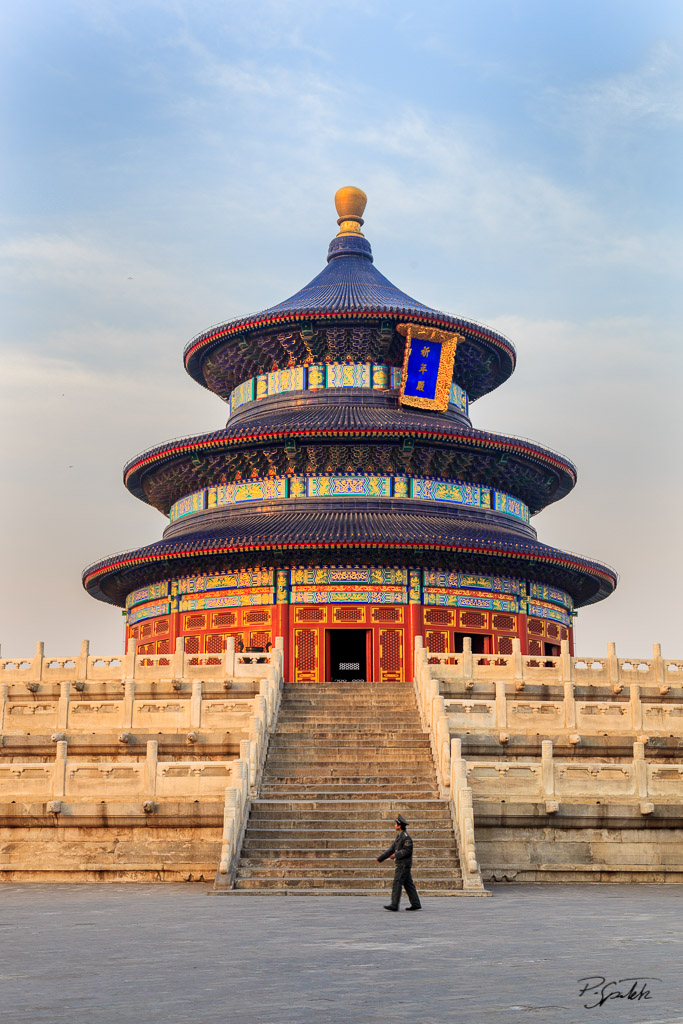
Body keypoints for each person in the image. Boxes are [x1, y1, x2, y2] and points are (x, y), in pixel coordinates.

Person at [377, 814, 422, 911]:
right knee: (408, 884)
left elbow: (407, 850)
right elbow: (391, 849)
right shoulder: (399, 837)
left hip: (403, 865)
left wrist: (396, 855)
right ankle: (416, 903)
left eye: (396, 824)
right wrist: (381, 858)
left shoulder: (406, 837)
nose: (394, 826)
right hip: (402, 864)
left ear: (399, 825)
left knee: (397, 883)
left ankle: (394, 905)